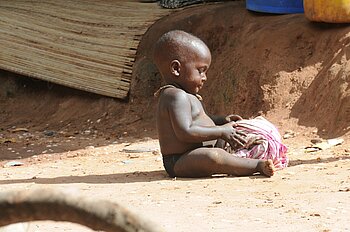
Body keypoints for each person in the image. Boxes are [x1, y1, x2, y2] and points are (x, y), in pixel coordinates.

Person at [153, 30, 278, 178]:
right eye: (200, 71)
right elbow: (185, 132)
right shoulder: (174, 96)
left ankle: (246, 156)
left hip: (200, 150)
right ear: (176, 69)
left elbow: (199, 120)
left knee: (234, 142)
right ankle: (256, 165)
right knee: (213, 157)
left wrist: (222, 121)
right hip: (180, 160)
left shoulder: (187, 95)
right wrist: (221, 131)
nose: (204, 77)